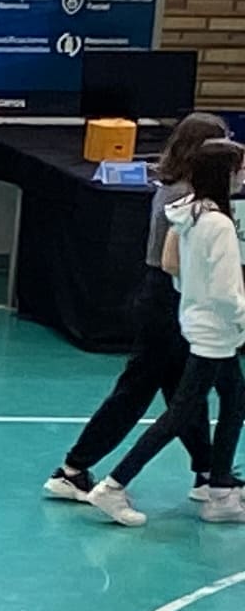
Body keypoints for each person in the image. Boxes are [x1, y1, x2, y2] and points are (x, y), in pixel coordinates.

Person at [46, 112, 228, 508]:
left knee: (185, 392)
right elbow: (176, 261)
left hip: (169, 298)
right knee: (138, 391)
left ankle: (208, 472)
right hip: (167, 300)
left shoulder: (179, 187)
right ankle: (74, 469)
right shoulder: (183, 198)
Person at [82, 134, 245, 523]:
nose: (243, 176)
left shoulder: (188, 214)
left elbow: (177, 273)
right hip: (216, 332)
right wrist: (239, 317)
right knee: (180, 413)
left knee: (235, 401)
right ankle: (114, 484)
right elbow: (225, 291)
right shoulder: (219, 225)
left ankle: (219, 486)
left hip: (198, 323)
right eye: (239, 169)